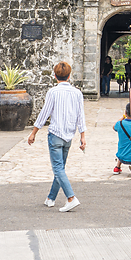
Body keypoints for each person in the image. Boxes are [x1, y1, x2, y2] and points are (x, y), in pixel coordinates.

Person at [27, 61, 87, 212]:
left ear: (55, 76)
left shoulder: (53, 92)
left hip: (55, 134)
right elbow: (81, 116)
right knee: (60, 168)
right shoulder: (77, 93)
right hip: (68, 135)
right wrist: (83, 136)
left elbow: (44, 113)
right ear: (69, 75)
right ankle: (51, 198)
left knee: (58, 168)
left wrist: (34, 132)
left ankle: (71, 197)